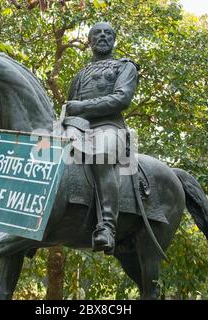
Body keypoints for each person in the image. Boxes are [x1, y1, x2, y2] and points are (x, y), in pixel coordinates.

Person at [66, 22, 139, 255]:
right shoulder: (79, 75)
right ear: (89, 40)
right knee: (43, 152)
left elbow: (121, 99)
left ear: (114, 39)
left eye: (109, 32)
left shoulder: (125, 67)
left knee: (101, 153)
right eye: (97, 33)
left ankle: (107, 226)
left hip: (109, 127)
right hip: (77, 129)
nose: (103, 36)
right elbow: (69, 109)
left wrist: (82, 107)